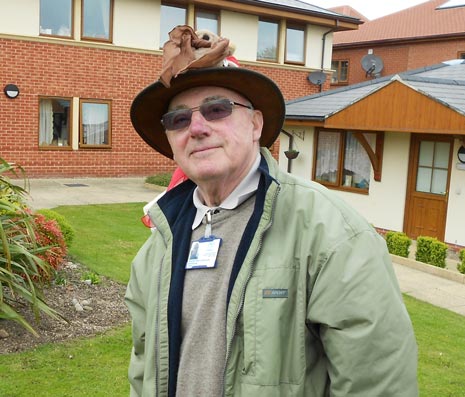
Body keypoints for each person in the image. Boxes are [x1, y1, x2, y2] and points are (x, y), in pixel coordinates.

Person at [125, 25, 418, 397]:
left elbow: (377, 383)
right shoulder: (157, 249)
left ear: (256, 126)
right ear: (170, 139)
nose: (196, 127)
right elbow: (142, 369)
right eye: (178, 119)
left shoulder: (332, 233)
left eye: (217, 109)